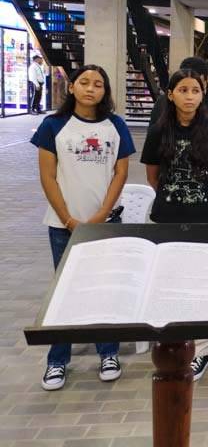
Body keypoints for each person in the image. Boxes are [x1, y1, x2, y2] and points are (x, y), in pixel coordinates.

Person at [31, 65, 135, 391]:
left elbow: (120, 173)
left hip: (105, 225)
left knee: (105, 288)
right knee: (65, 291)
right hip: (63, 226)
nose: (91, 89)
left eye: (98, 84)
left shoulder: (115, 125)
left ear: (105, 91)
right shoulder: (53, 125)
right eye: (85, 82)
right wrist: (68, 219)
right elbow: (48, 176)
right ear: (72, 87)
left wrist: (102, 215)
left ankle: (108, 353)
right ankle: (57, 360)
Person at [141, 69, 208, 381]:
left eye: (195, 90)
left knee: (200, 283)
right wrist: (173, 198)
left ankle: (201, 350)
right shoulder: (158, 130)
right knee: (168, 281)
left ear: (202, 94)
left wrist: (201, 199)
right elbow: (153, 176)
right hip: (165, 217)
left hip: (203, 218)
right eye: (183, 90)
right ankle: (170, 344)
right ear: (171, 94)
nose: (189, 96)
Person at [149, 56, 208, 148]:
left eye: (197, 87)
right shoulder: (163, 102)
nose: (190, 96)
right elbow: (152, 138)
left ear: (207, 79)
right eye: (185, 88)